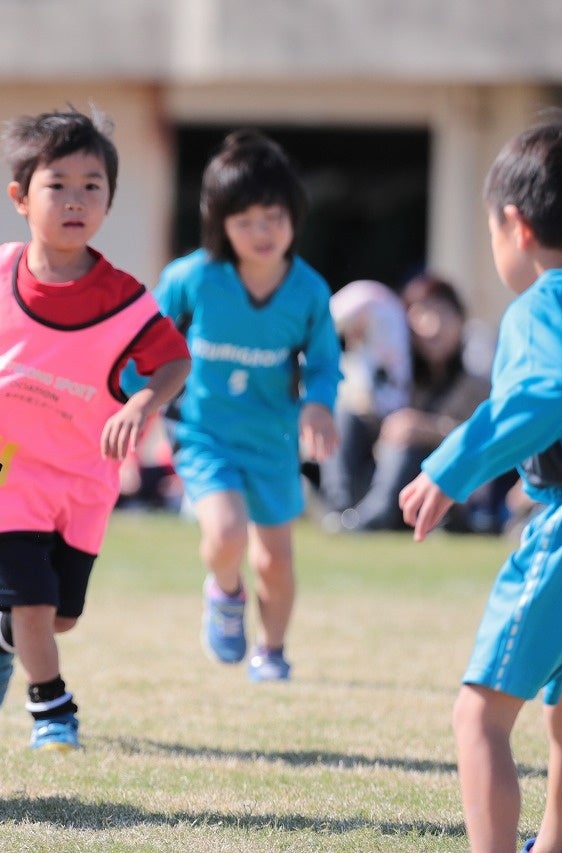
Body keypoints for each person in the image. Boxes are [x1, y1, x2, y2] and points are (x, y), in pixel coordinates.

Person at [0, 107, 191, 751]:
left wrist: (143, 406)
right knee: (31, 601)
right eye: (58, 184)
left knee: (58, 617)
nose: (76, 199)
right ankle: (52, 710)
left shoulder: (125, 297)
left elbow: (173, 362)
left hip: (84, 480)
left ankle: (0, 636)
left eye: (93, 185)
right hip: (5, 478)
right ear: (20, 197)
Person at [399, 114, 562, 853]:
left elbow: (542, 395)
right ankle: (554, 845)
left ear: (515, 225)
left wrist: (450, 465)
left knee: (478, 717)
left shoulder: (546, 303)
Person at [154, 130, 341, 682]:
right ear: (219, 223)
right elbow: (149, 343)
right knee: (228, 532)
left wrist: (318, 406)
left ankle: (273, 651)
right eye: (245, 221)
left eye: (272, 217)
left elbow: (326, 363)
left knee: (275, 560)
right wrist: (136, 400)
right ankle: (225, 593)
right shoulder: (192, 279)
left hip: (274, 440)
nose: (261, 233)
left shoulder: (309, 291)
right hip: (204, 433)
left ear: (295, 215)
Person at [324, 274, 491, 532]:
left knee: (406, 440)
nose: (432, 325)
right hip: (378, 467)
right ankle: (339, 509)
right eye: (420, 313)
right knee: (346, 414)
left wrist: (427, 428)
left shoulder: (478, 376)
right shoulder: (396, 371)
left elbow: (490, 435)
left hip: (444, 483)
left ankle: (373, 518)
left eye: (443, 313)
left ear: (460, 319)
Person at [316, 278, 411, 515]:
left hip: (391, 418)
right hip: (372, 413)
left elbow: (323, 320)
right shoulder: (374, 338)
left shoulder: (369, 297)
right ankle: (340, 508)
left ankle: (351, 511)